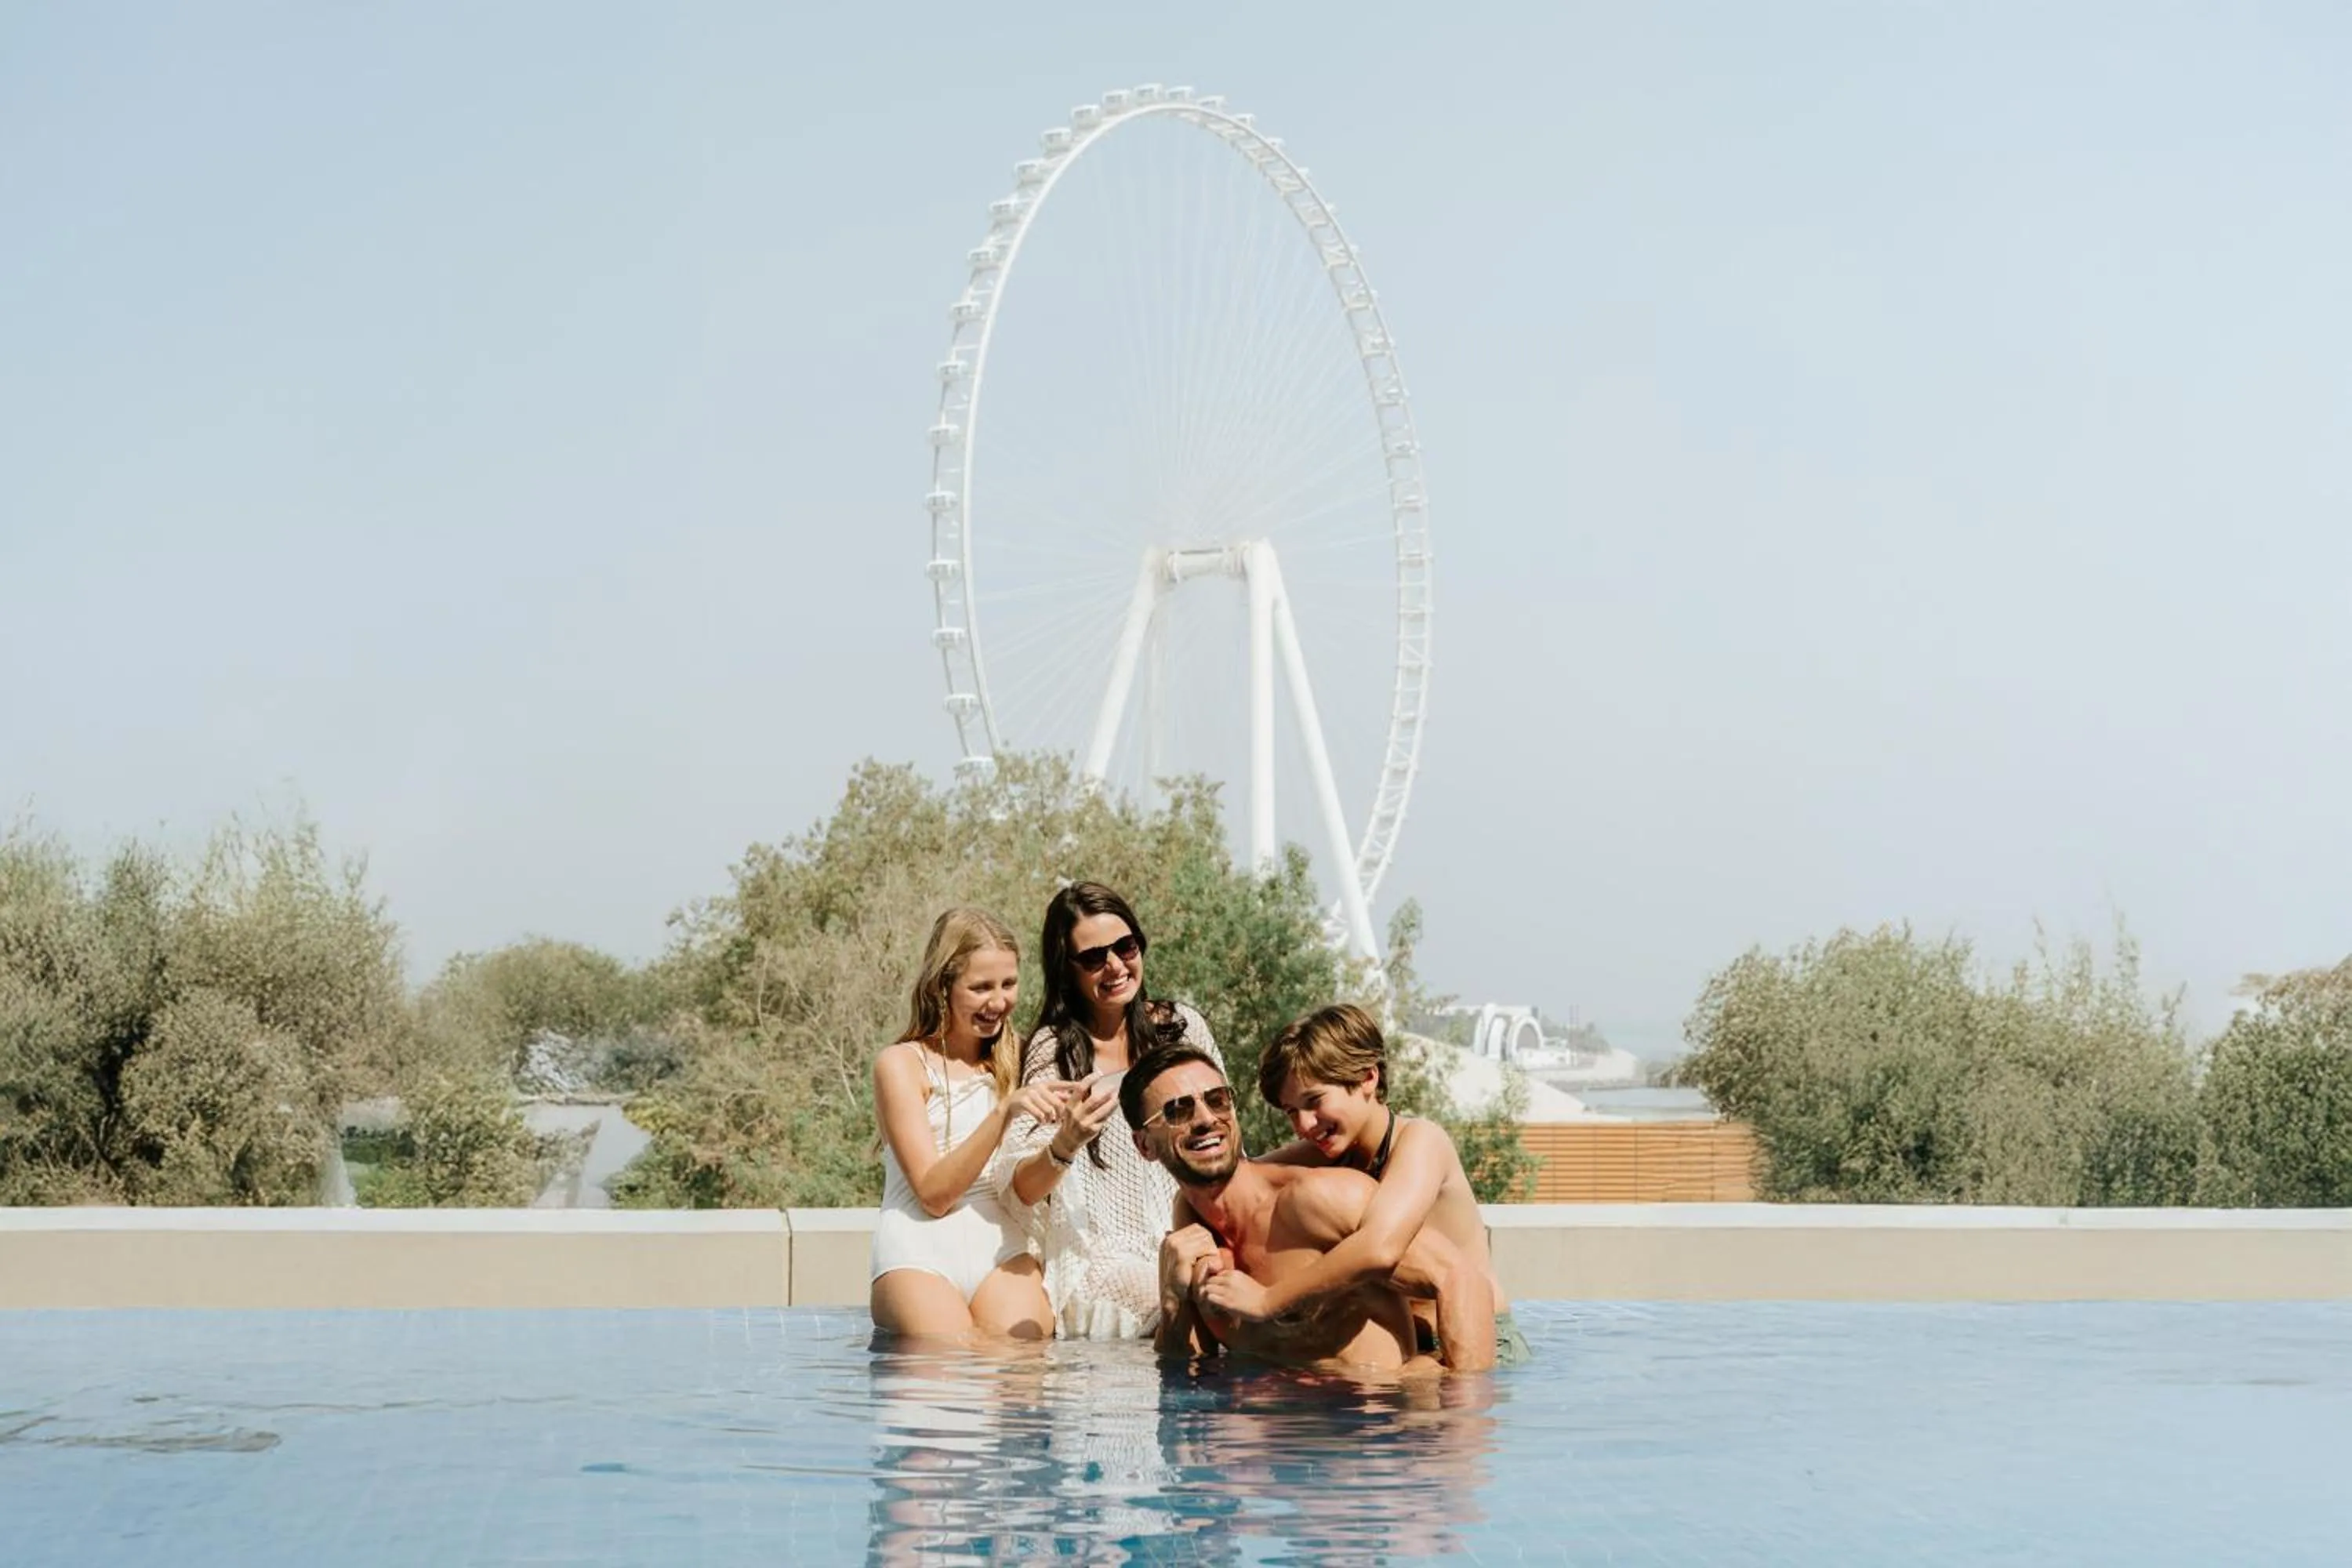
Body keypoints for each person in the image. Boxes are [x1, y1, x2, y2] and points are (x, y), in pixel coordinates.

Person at [1121, 1042, 1496, 1373]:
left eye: (1217, 1100)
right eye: (1177, 1111)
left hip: (1377, 1432)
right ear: (1144, 1146)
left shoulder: (1319, 1199)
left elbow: (1461, 1277)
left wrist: (1458, 1416)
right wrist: (1172, 1302)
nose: (1206, 1119)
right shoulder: (1191, 1228)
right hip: (1275, 1437)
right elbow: (1187, 1370)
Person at [1196, 1003, 1530, 1367]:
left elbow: (1379, 1248)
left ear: (1368, 1078)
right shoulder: (1322, 1151)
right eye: (1291, 1111)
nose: (1305, 1125)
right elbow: (1237, 1179)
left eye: (1314, 1101)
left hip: (1480, 1340)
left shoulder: (1421, 1142)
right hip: (1412, 1349)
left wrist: (1266, 1301)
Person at [993, 882, 1222, 1338]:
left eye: (1125, 947)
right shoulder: (1055, 1050)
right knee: (1196, 1305)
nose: (1115, 966)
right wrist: (1067, 1142)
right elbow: (1019, 1187)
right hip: (1105, 1259)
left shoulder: (1182, 1026)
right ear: (1068, 971)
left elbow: (1226, 1132)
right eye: (1094, 958)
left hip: (1198, 1229)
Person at [870, 907, 1079, 1340]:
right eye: (981, 987)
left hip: (1003, 1246)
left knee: (1020, 1359)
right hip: (918, 1248)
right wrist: (1004, 1113)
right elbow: (933, 1194)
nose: (998, 1001)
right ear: (943, 987)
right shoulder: (902, 1065)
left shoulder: (1024, 1057)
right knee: (952, 1358)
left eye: (1009, 984)